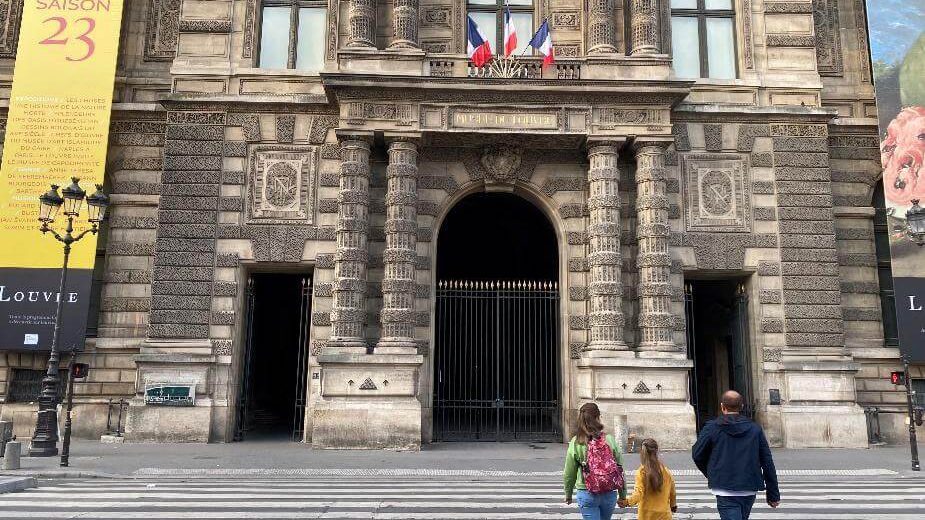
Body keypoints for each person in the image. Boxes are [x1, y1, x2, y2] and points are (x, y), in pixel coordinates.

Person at [692, 390, 781, 520]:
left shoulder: (712, 428)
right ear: (742, 407)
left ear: (722, 406)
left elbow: (697, 454)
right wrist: (773, 493)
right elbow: (767, 462)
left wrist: (712, 473)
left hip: (724, 487)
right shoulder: (755, 429)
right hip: (749, 486)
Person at [563, 402, 627, 520]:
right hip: (609, 492)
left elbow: (569, 472)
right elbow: (620, 469)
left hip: (587, 492)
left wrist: (568, 493)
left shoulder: (576, 442)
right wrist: (623, 495)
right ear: (598, 417)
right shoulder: (609, 440)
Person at [618, 438, 677, 520]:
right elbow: (672, 490)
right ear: (656, 451)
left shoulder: (642, 472)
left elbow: (639, 493)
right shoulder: (665, 470)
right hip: (664, 514)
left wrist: (627, 502)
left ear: (642, 453)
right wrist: (673, 505)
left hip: (646, 515)